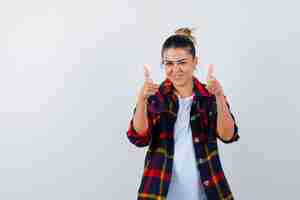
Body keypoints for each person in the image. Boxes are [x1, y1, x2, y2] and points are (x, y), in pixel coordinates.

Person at [126, 27, 240, 200]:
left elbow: (228, 135)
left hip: (207, 192)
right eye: (169, 63)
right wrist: (142, 99)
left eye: (182, 62)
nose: (175, 69)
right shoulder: (155, 98)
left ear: (195, 62)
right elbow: (139, 137)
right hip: (159, 191)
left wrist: (219, 96)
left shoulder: (209, 98)